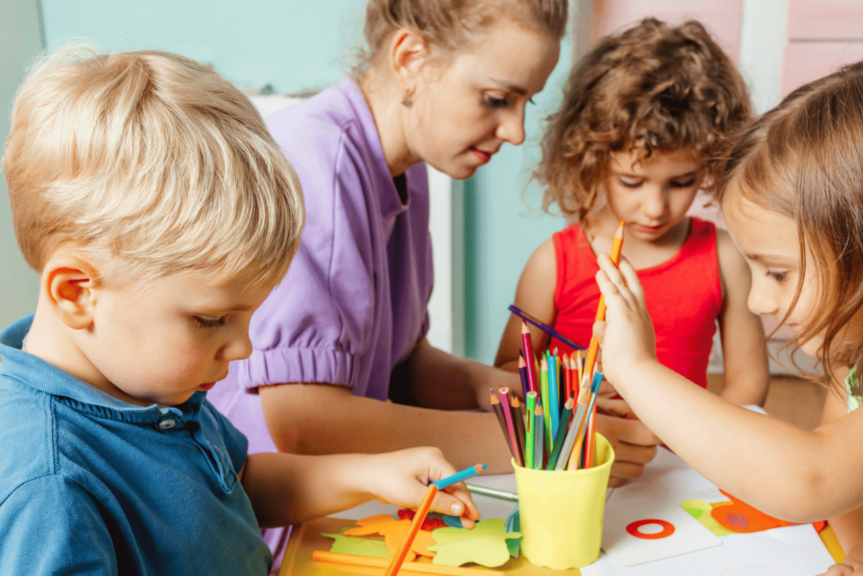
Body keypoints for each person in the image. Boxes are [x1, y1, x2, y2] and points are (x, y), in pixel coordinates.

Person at [0, 47, 478, 575]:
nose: (244, 348)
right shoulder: (50, 488)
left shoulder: (140, 383)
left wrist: (368, 474)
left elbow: (238, 481)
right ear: (76, 294)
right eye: (211, 320)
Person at [592, 57, 863, 576]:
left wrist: (635, 368)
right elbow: (847, 479)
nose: (757, 302)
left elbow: (813, 478)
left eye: (777, 273)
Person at [210, 0, 657, 501]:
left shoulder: (409, 166)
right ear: (410, 59)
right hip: (265, 513)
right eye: (495, 99)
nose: (516, 132)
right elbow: (306, 422)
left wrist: (509, 393)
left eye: (524, 102)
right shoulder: (318, 163)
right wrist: (546, 441)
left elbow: (398, 364)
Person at [494, 19, 769, 427]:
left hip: (681, 456)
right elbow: (504, 374)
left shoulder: (724, 256)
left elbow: (748, 382)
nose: (655, 208)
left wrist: (697, 440)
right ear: (594, 157)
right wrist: (566, 381)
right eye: (631, 181)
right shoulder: (554, 263)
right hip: (582, 453)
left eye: (681, 182)